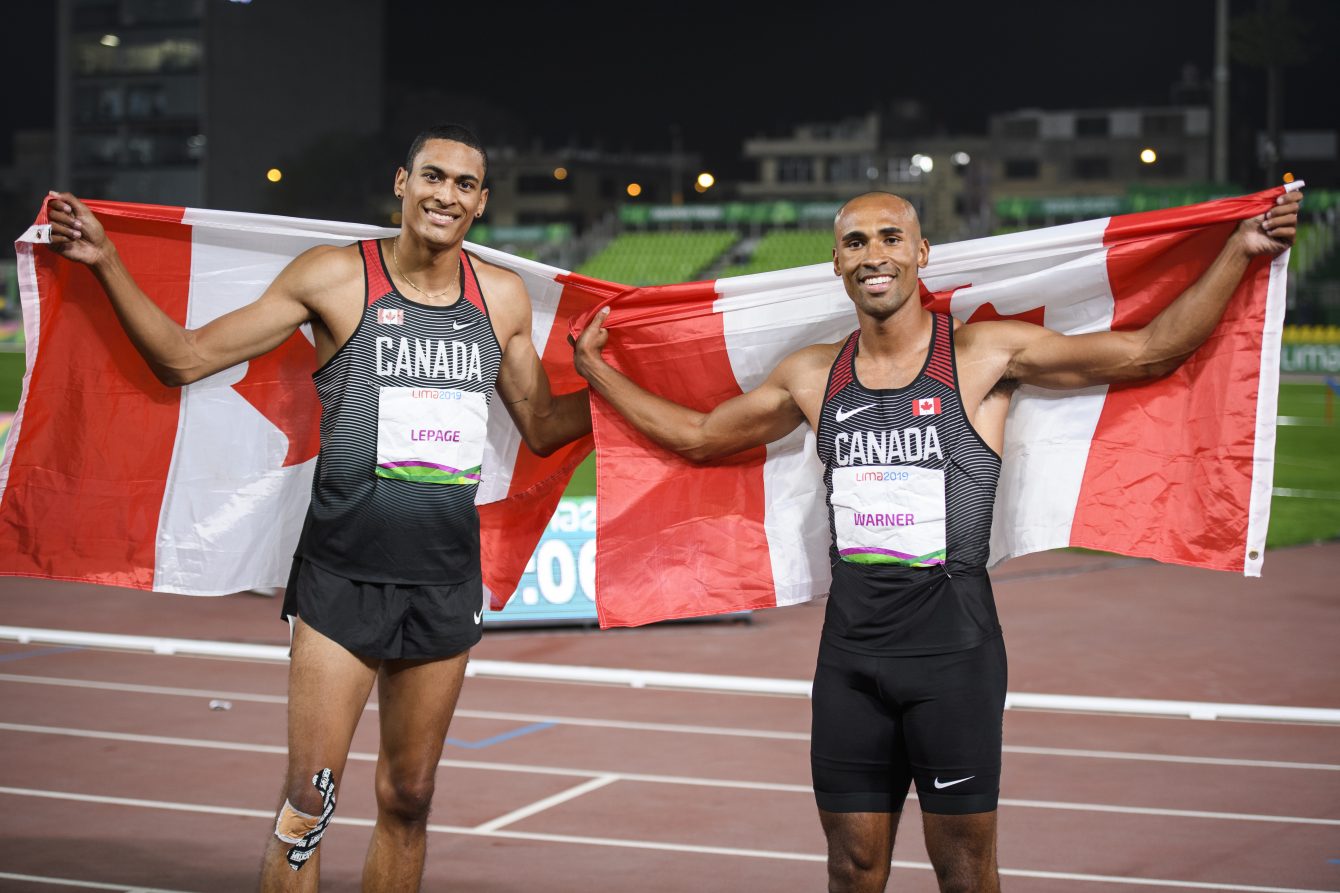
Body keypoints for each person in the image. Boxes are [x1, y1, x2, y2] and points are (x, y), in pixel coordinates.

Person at [572, 189, 1300, 892]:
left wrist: (1240, 249)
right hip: (851, 658)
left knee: (963, 871)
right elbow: (700, 437)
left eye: (890, 237)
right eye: (855, 241)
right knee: (852, 869)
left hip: (953, 656)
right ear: (835, 262)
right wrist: (596, 369)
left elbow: (1147, 352)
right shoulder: (812, 373)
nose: (873, 254)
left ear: (922, 252)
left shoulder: (982, 353)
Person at [46, 123, 592, 891]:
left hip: (442, 581)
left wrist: (613, 389)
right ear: (402, 185)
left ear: (481, 203)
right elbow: (183, 356)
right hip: (343, 576)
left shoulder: (497, 299)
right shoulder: (336, 279)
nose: (446, 194)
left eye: (464, 184)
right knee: (309, 803)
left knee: (411, 796)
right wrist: (105, 261)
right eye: (432, 177)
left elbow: (539, 424)